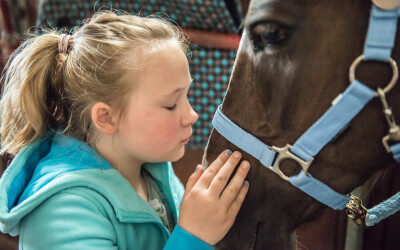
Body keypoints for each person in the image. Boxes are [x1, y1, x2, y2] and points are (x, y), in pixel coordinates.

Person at [0, 10, 250, 249]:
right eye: (171, 104)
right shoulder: (62, 211)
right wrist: (194, 236)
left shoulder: (151, 169)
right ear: (106, 118)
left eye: (187, 95)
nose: (192, 115)